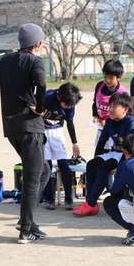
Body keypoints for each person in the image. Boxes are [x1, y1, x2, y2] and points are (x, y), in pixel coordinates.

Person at [0, 23, 49, 244]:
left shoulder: (6, 60)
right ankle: (25, 230)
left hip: (11, 129)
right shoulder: (35, 61)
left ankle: (26, 220)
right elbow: (41, 83)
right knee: (32, 177)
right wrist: (39, 108)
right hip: (30, 128)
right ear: (37, 43)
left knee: (43, 170)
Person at [72, 93, 134, 216]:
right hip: (114, 152)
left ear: (125, 109)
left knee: (103, 169)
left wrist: (121, 164)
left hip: (127, 154)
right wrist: (96, 158)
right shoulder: (109, 121)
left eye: (115, 107)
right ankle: (90, 203)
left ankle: (91, 204)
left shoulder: (131, 123)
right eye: (110, 107)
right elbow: (102, 142)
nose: (111, 110)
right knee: (92, 165)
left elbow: (131, 148)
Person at [41, 82, 83, 211]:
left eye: (72, 105)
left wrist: (74, 143)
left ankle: (69, 199)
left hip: (57, 132)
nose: (70, 107)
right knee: (47, 166)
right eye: (68, 104)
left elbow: (70, 123)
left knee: (64, 165)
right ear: (59, 97)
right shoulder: (46, 98)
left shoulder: (70, 103)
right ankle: (49, 198)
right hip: (42, 131)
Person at [92, 59, 129, 154]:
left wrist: (110, 122)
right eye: (105, 77)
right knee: (98, 154)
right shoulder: (99, 85)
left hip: (114, 129)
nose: (107, 80)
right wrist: (96, 115)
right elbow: (94, 102)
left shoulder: (122, 93)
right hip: (101, 126)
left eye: (111, 78)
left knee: (112, 155)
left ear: (119, 77)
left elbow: (126, 115)